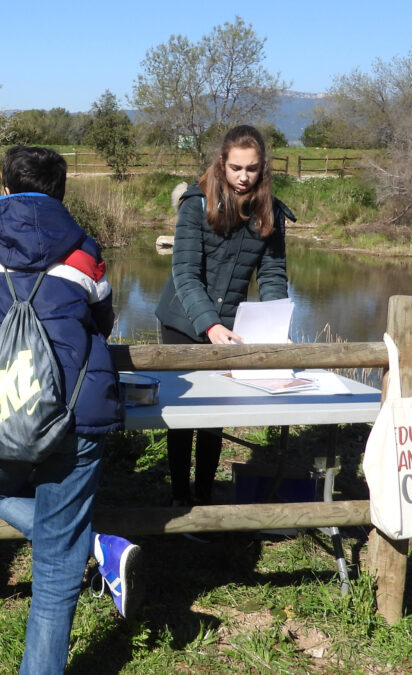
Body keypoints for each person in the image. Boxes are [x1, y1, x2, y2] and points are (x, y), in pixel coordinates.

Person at [0, 145, 141, 673]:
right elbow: (102, 319)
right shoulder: (84, 248)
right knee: (56, 568)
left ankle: (89, 543)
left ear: (4, 187)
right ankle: (90, 544)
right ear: (60, 192)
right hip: (75, 409)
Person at [154, 124, 295, 507]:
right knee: (183, 417)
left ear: (262, 167)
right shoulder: (195, 203)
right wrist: (209, 324)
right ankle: (180, 499)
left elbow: (271, 275)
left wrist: (273, 327)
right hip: (183, 322)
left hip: (231, 326)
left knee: (214, 415)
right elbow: (184, 272)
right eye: (236, 168)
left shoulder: (271, 212)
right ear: (222, 163)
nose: (243, 177)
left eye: (251, 169)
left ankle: (205, 496)